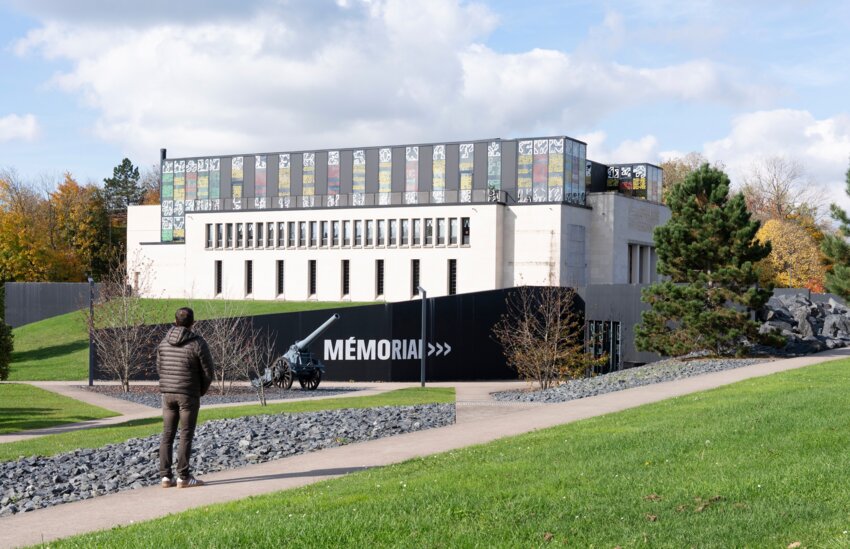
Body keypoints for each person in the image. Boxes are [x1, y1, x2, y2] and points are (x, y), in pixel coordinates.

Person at [157, 307, 214, 488]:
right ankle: (184, 477)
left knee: (167, 434)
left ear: (175, 321)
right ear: (192, 323)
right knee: (185, 435)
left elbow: (159, 367)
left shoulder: (163, 343)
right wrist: (200, 391)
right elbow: (208, 372)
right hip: (188, 394)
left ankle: (166, 477)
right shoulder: (198, 343)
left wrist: (168, 385)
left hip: (168, 394)